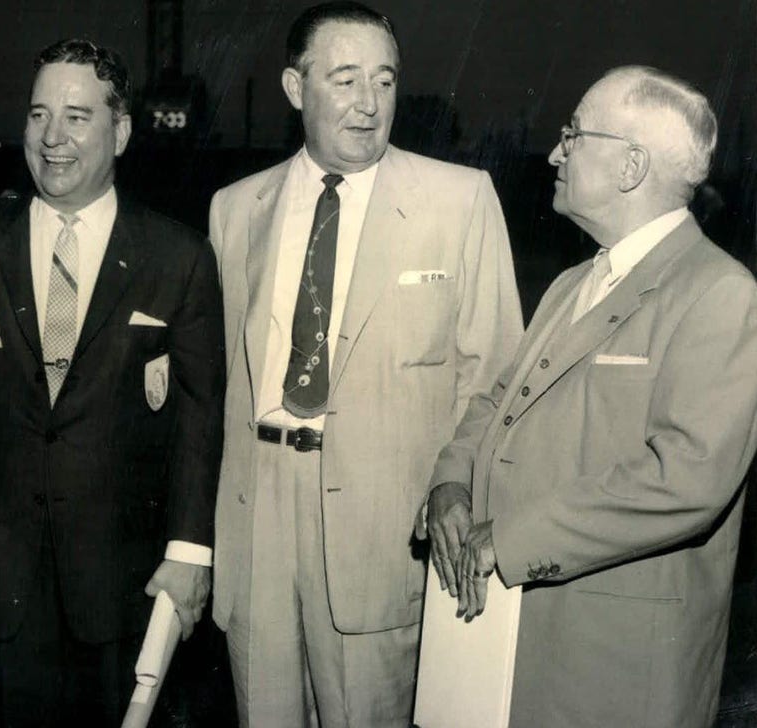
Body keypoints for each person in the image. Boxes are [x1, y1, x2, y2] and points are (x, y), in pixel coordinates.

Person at [207, 2, 523, 725]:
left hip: (382, 530)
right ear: (295, 88)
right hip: (257, 517)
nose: (369, 103)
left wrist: (457, 489)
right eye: (345, 79)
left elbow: (497, 377)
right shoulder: (234, 209)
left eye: (384, 81)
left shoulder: (460, 200)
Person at [423, 65, 757, 728]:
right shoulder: (573, 282)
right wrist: (449, 486)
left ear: (631, 166)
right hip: (510, 653)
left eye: (573, 135)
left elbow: (686, 477)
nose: (555, 152)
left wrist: (507, 540)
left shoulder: (722, 294)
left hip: (614, 668)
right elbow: (495, 403)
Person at [0, 39, 225, 727]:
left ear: (121, 131)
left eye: (76, 117)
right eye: (39, 116)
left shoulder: (177, 258)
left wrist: (189, 553)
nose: (52, 139)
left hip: (119, 585)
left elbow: (198, 416)